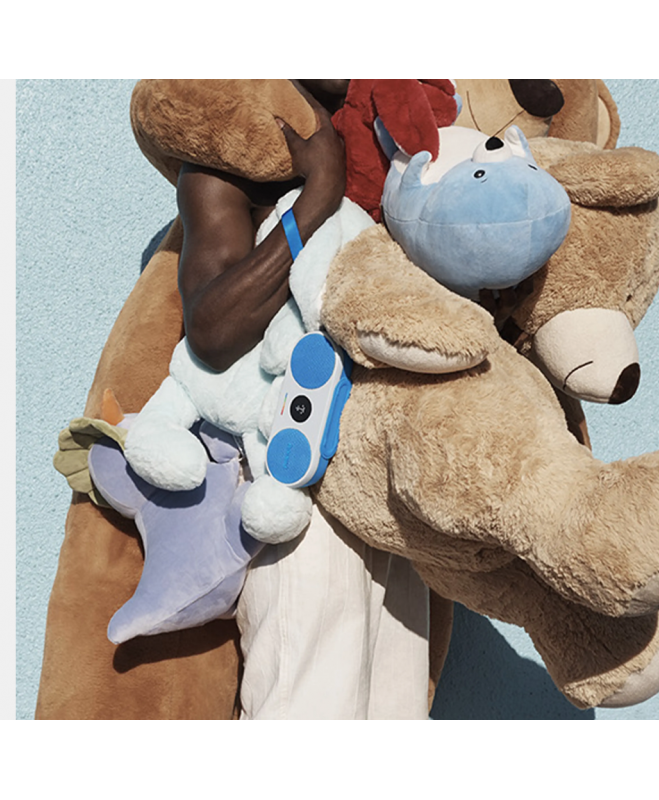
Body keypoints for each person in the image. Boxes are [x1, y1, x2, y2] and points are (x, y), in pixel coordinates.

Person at [175, 80, 431, 719]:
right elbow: (212, 331)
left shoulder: (397, 137)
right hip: (298, 493)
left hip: (392, 490)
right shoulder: (231, 160)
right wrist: (319, 195)